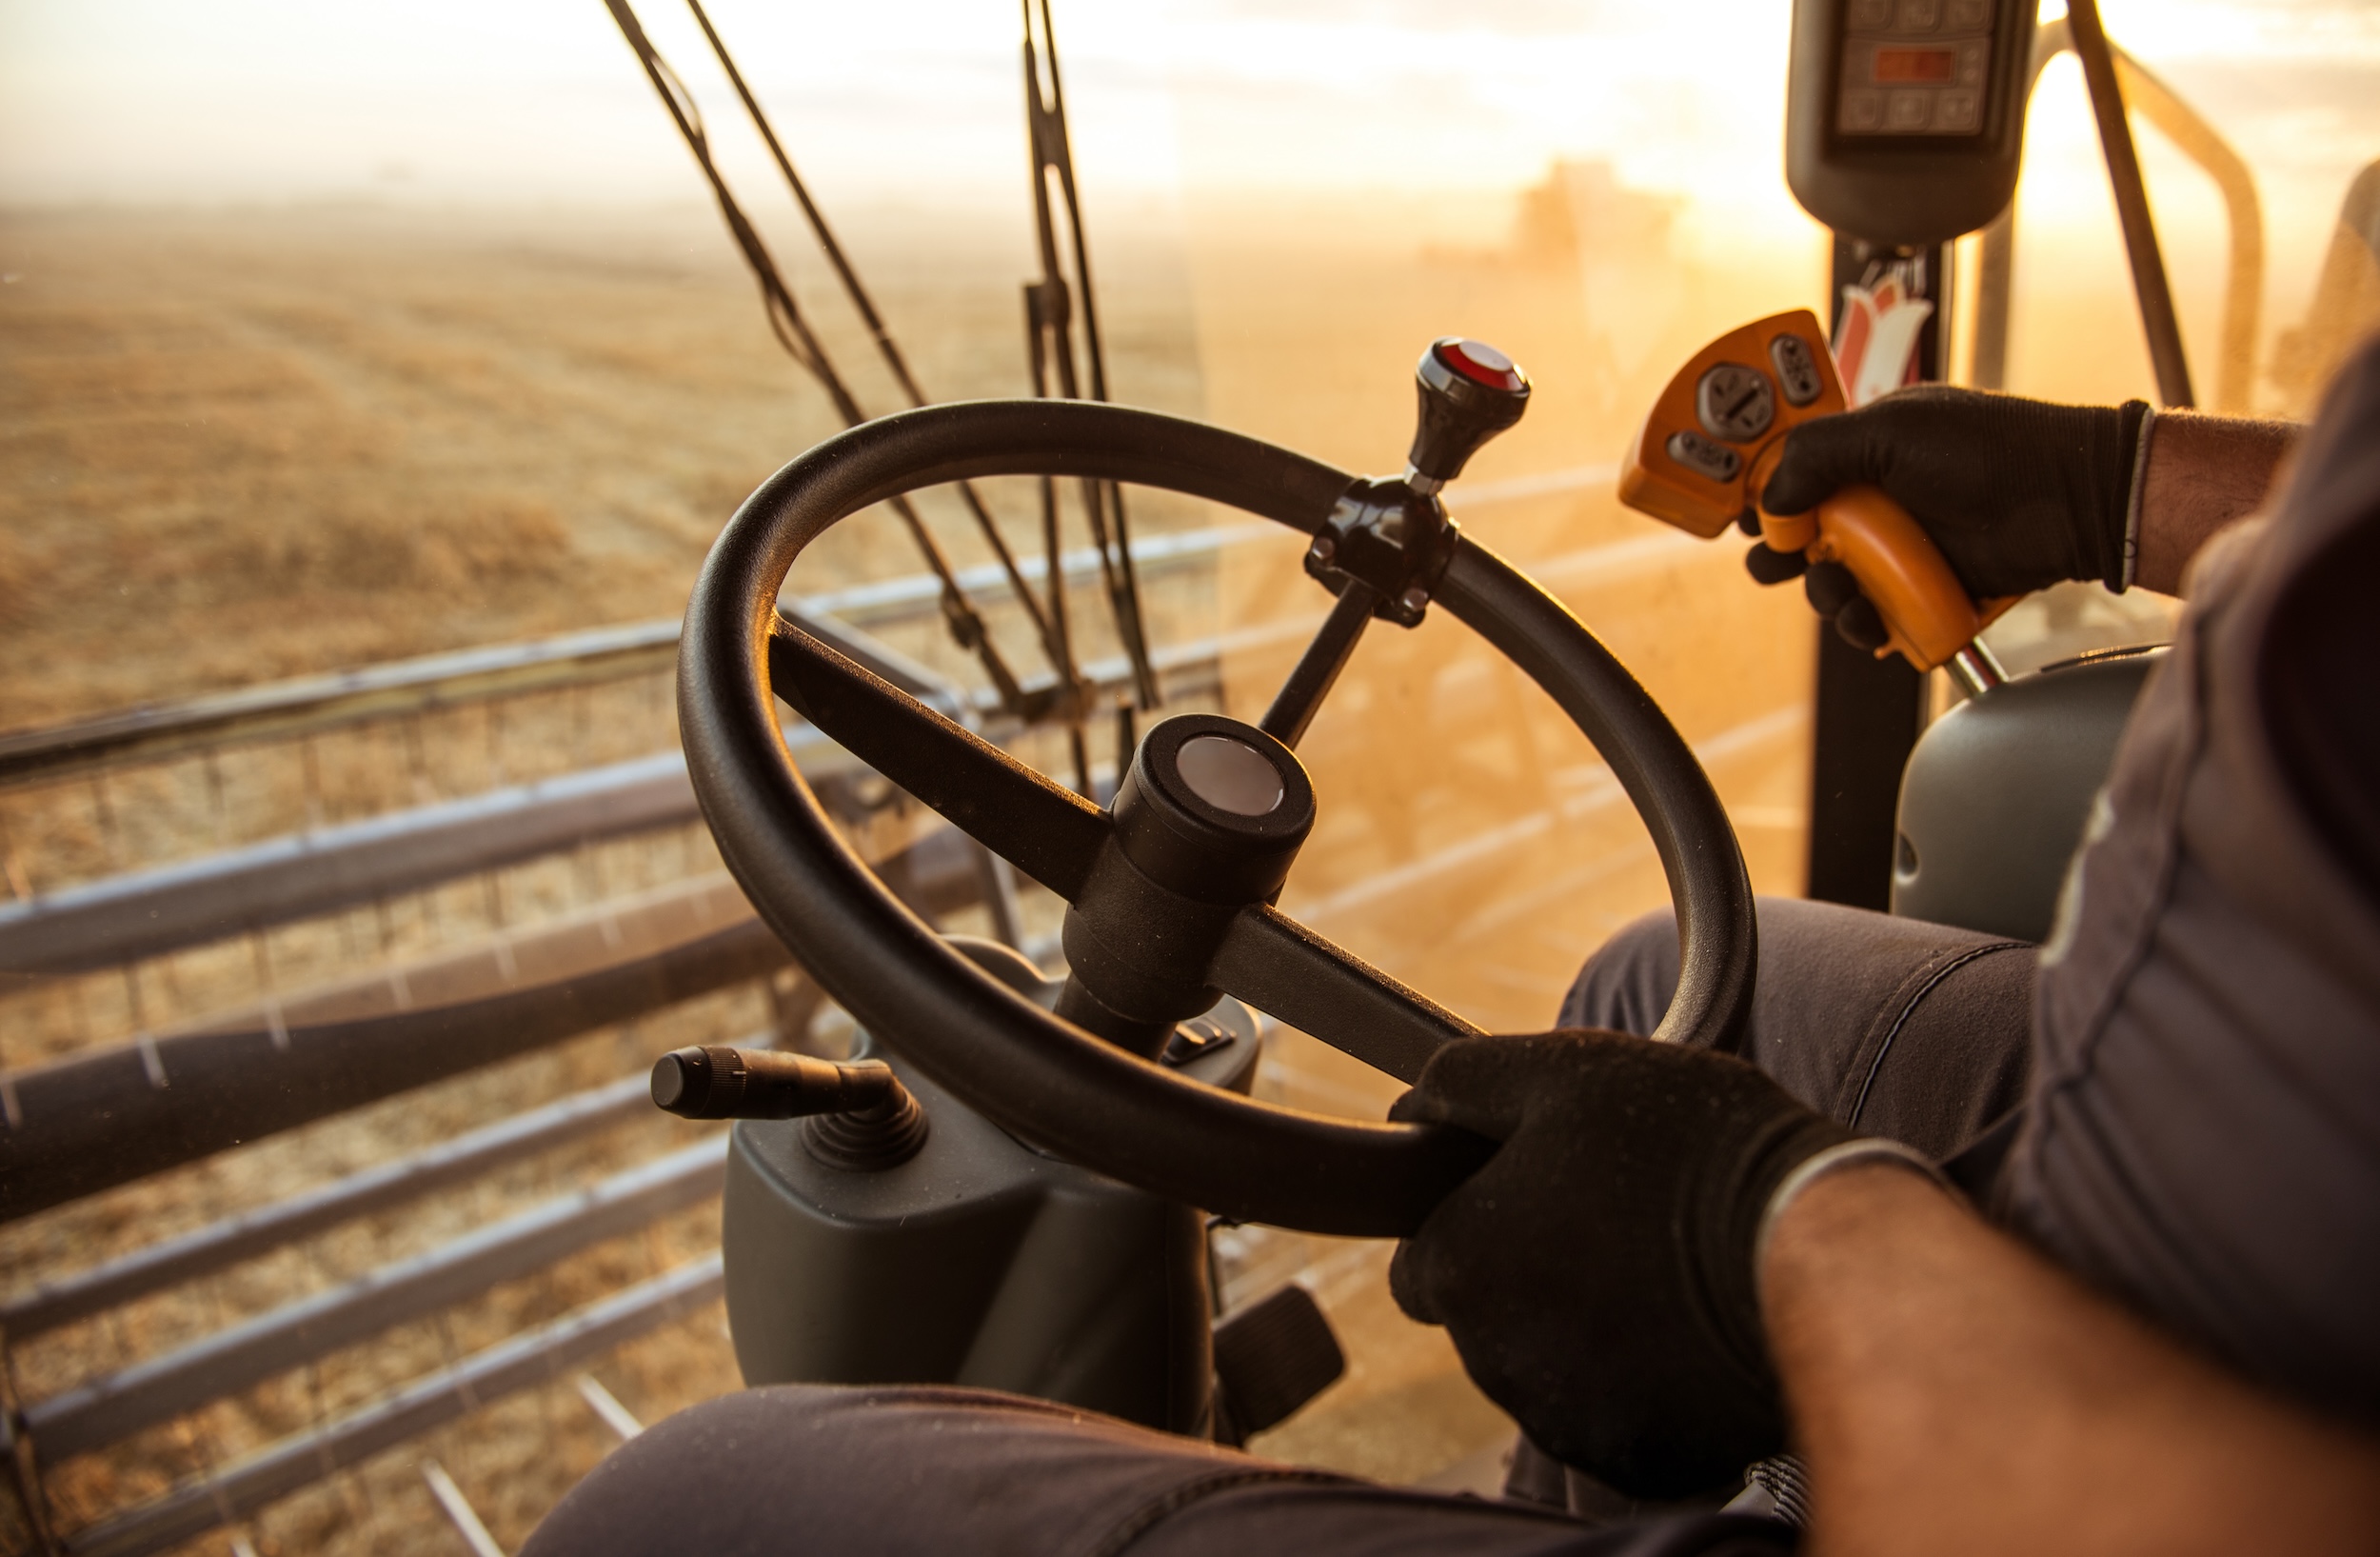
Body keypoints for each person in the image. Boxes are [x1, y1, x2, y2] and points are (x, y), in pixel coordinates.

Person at [523, 341, 2380, 1556]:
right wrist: (2111, 478)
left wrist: (1782, 1225)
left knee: (691, 1513)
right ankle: (1588, 1488)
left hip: (2201, 1423)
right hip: (2265, 1115)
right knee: (1653, 982)